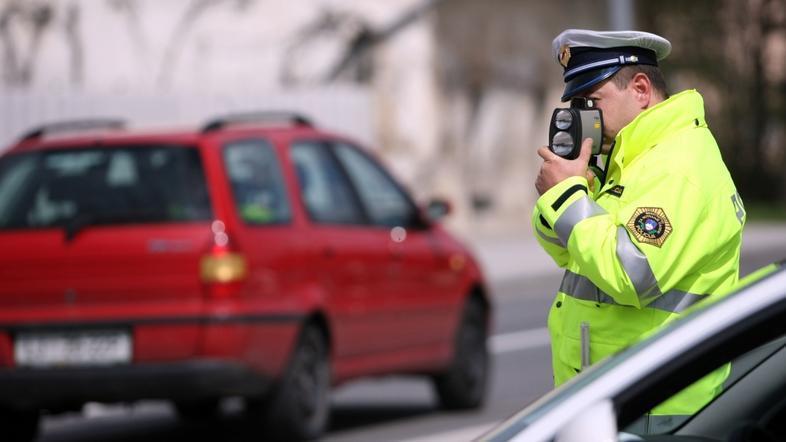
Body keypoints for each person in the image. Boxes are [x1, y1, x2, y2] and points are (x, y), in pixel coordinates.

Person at [532, 29, 746, 431]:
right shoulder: (634, 157)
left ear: (642, 89)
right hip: (616, 399)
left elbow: (632, 272)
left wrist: (566, 197)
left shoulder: (679, 165)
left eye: (591, 102)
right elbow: (567, 249)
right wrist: (568, 194)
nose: (584, 115)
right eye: (577, 104)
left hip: (661, 412)